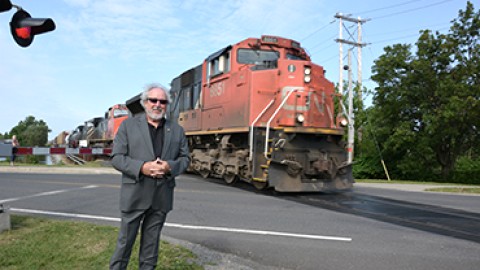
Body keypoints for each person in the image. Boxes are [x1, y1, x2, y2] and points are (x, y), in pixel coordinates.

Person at [109, 84, 190, 270]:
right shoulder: (128, 126)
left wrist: (170, 166)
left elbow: (185, 159)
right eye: (153, 100)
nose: (157, 105)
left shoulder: (177, 130)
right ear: (145, 103)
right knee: (124, 245)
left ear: (167, 105)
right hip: (135, 195)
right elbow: (117, 158)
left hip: (161, 197)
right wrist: (142, 167)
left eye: (162, 101)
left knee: (151, 249)